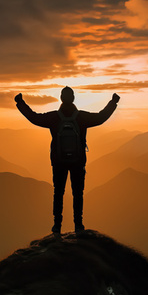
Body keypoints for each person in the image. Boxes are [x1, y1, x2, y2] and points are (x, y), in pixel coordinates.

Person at [15, 87, 120, 234]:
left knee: (58, 192)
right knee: (78, 193)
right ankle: (78, 225)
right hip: (78, 161)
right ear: (73, 98)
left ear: (61, 98)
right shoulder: (81, 117)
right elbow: (101, 117)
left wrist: (20, 103)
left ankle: (57, 225)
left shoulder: (54, 117)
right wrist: (113, 102)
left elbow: (34, 117)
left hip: (59, 161)